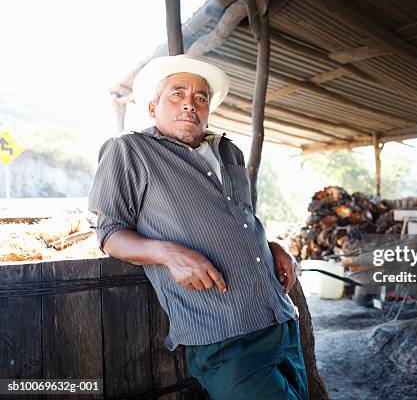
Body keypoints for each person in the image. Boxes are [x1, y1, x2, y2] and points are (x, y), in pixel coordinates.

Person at [88, 54, 308, 400]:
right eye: (177, 94)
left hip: (279, 318)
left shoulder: (229, 152)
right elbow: (110, 233)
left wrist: (274, 245)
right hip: (224, 335)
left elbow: (243, 219)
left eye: (200, 98)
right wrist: (169, 254)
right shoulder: (129, 150)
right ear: (152, 108)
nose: (190, 104)